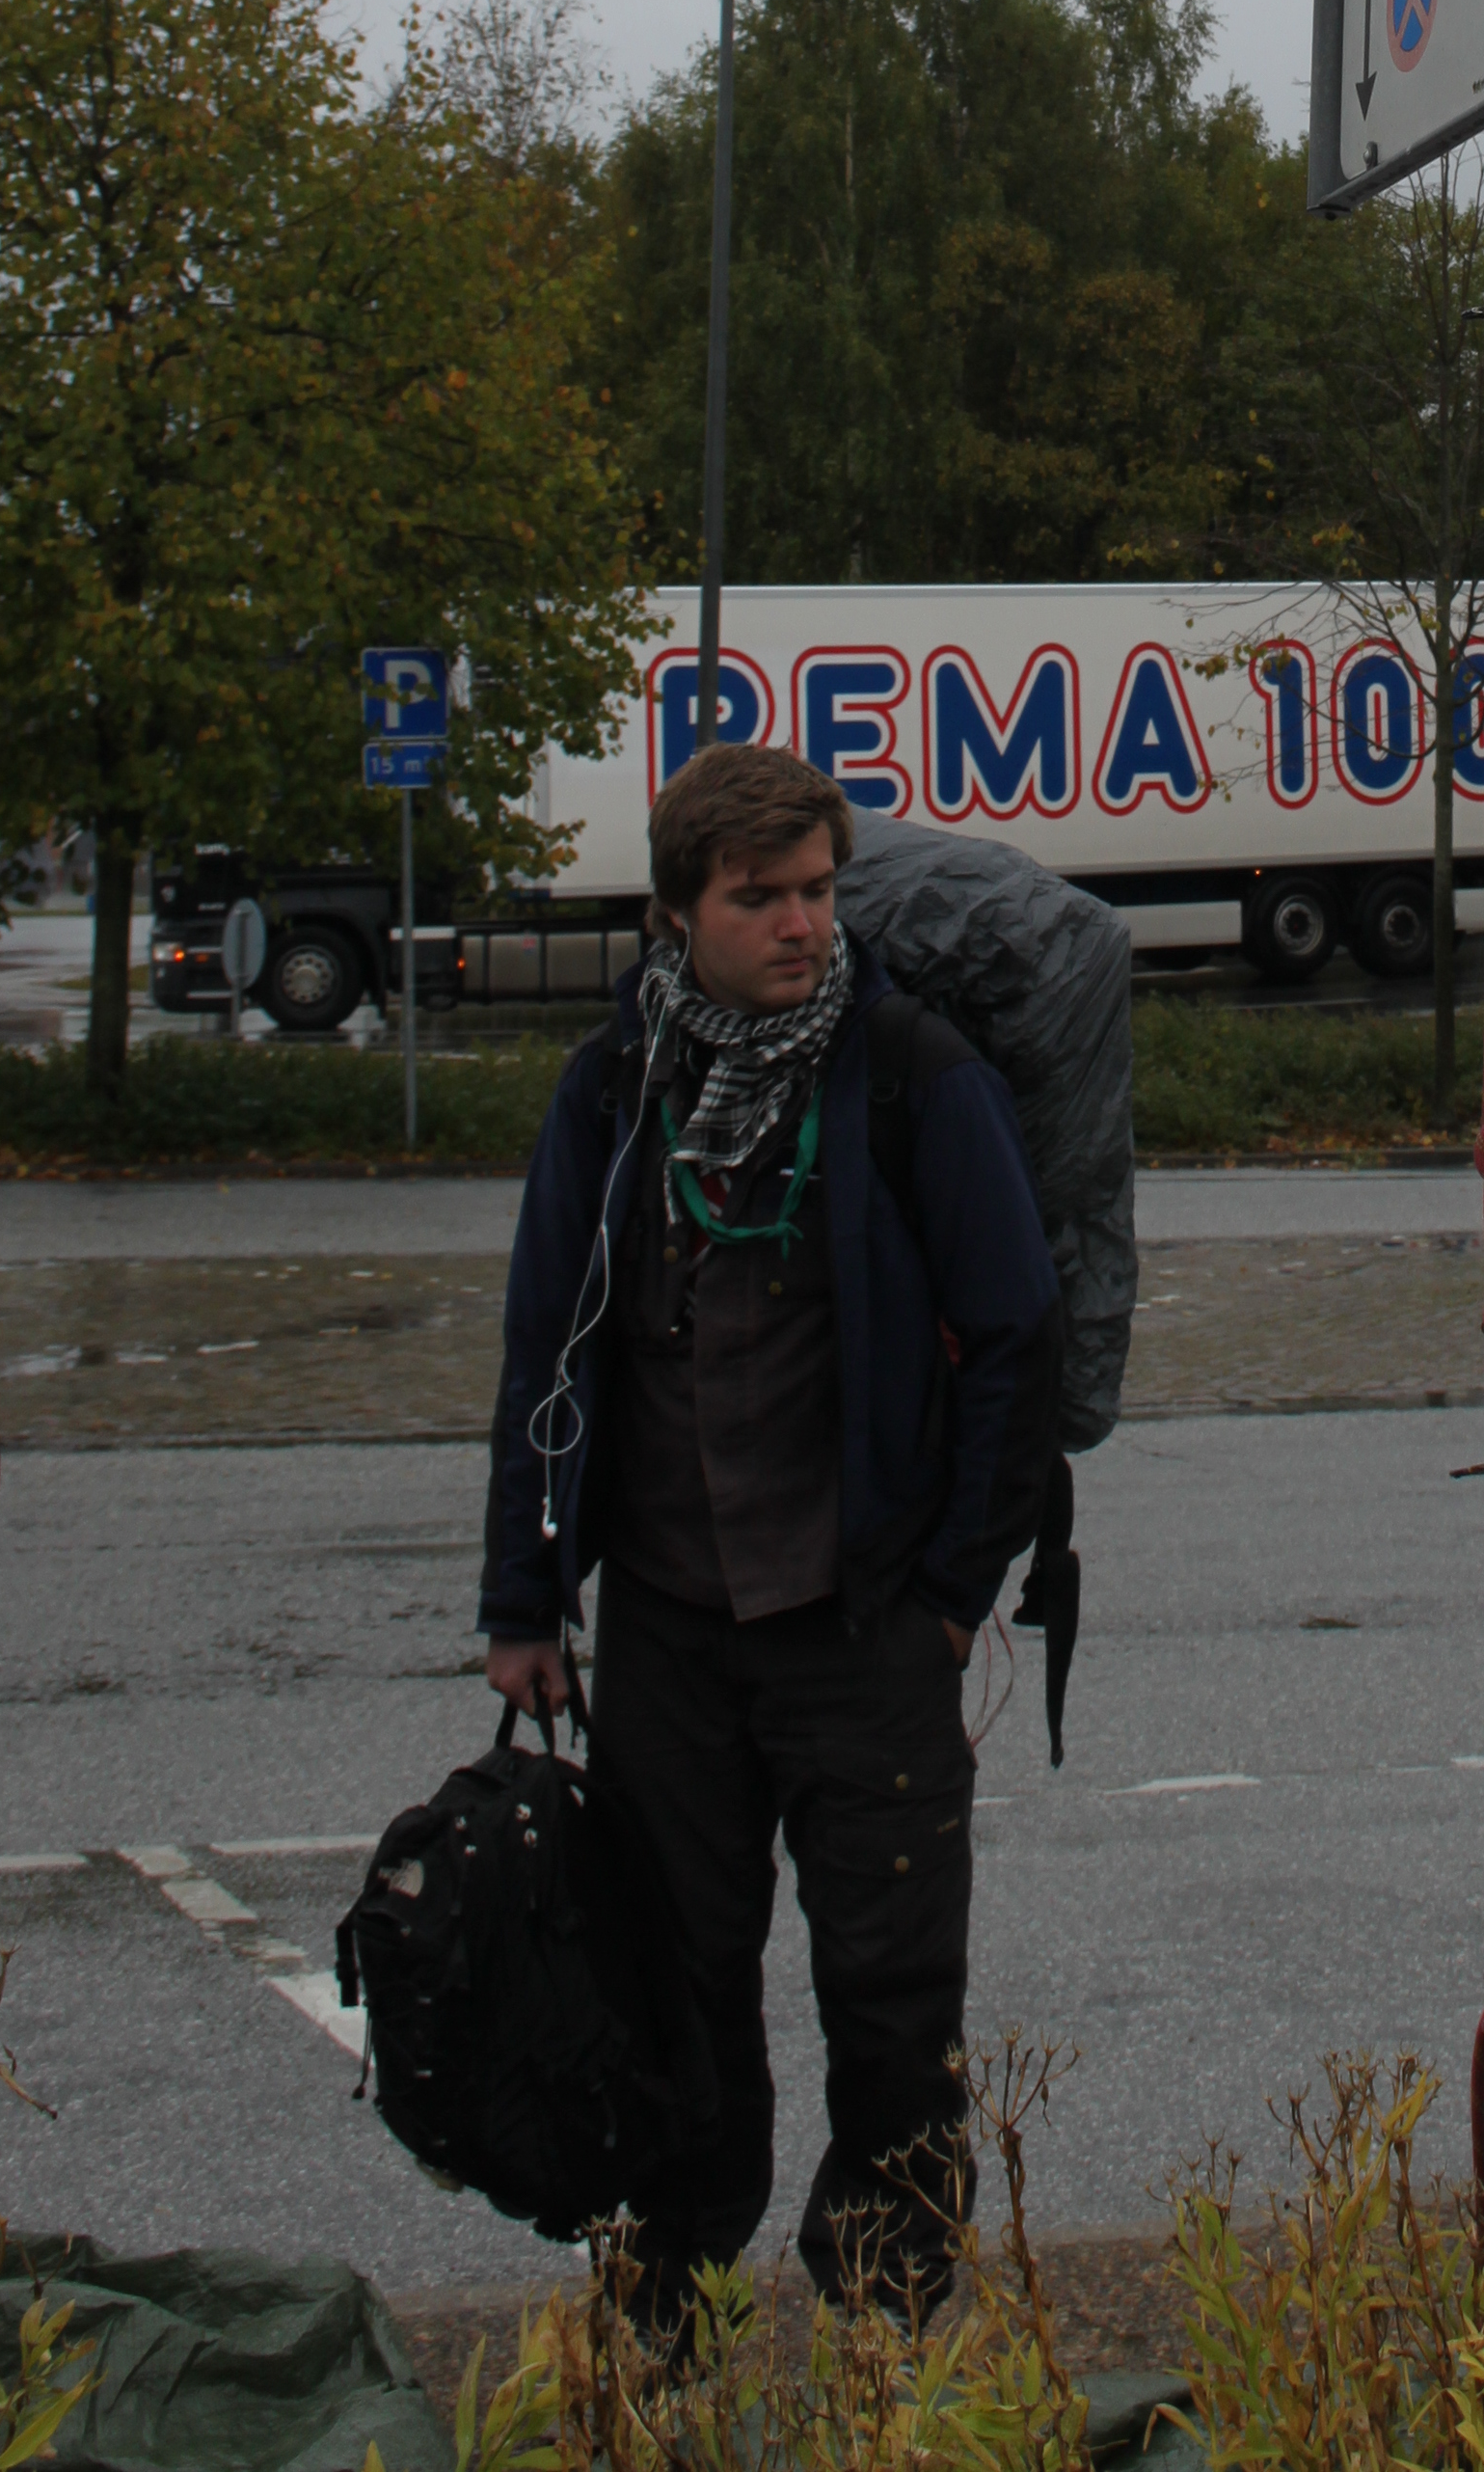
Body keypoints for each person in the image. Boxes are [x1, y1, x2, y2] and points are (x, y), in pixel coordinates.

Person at [479, 740, 1063, 2325]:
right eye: (761, 899)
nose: (803, 924)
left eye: (817, 892)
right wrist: (526, 1599)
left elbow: (1016, 1336)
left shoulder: (914, 1073)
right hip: (670, 1632)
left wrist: (951, 1593)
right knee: (674, 1991)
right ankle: (671, 2307)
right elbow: (548, 1348)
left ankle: (889, 2325)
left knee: (891, 2004)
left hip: (863, 1631)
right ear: (678, 912)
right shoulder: (615, 1088)